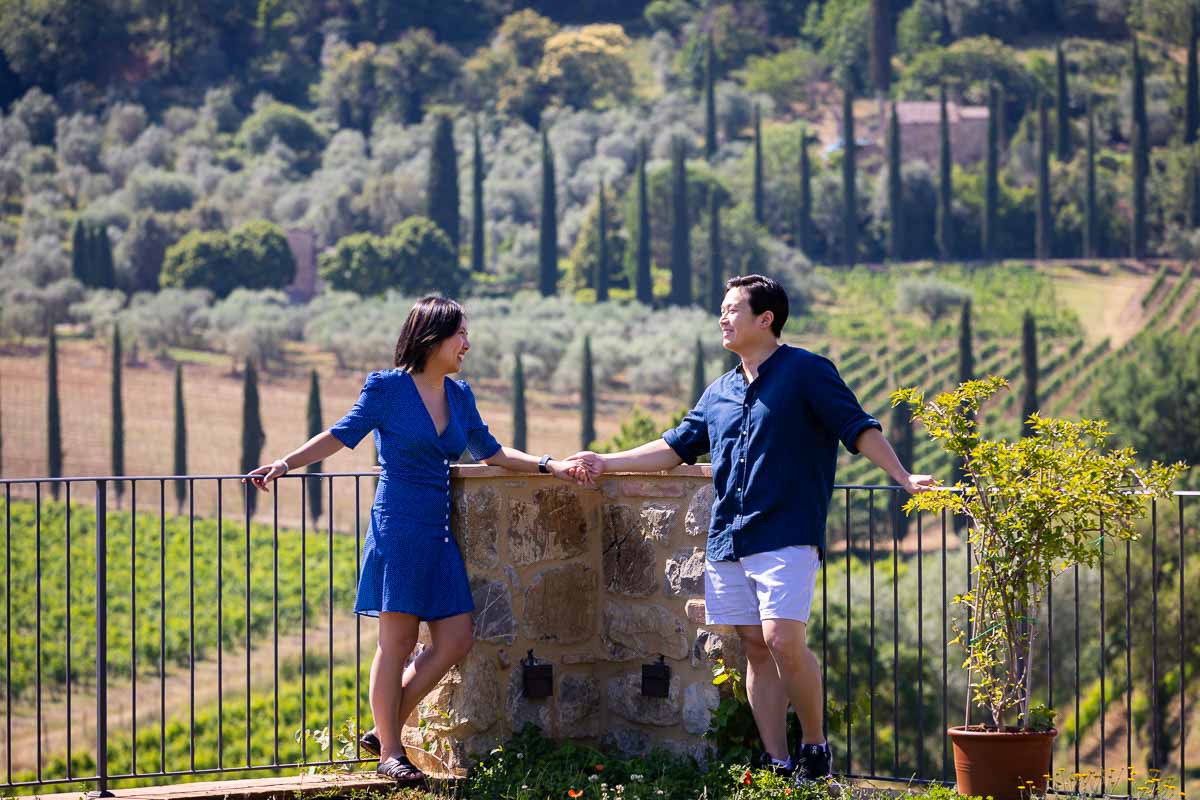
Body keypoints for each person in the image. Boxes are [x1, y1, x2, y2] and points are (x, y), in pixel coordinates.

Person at [566, 275, 936, 784]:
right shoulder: (719, 391)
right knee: (755, 648)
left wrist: (904, 477)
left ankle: (814, 747)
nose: (722, 318)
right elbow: (675, 447)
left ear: (766, 318)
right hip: (727, 538)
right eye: (721, 308)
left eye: (732, 309)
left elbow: (858, 427)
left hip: (786, 533)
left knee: (782, 638)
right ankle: (777, 762)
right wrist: (605, 461)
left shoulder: (807, 371)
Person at [246, 296, 588, 784]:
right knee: (398, 641)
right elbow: (340, 435)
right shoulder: (387, 388)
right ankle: (390, 751)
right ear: (433, 336)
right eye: (461, 335)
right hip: (398, 526)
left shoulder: (460, 394)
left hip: (439, 532)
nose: (467, 344)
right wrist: (285, 463)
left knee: (457, 638)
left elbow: (490, 452)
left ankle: (382, 729)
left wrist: (549, 465)